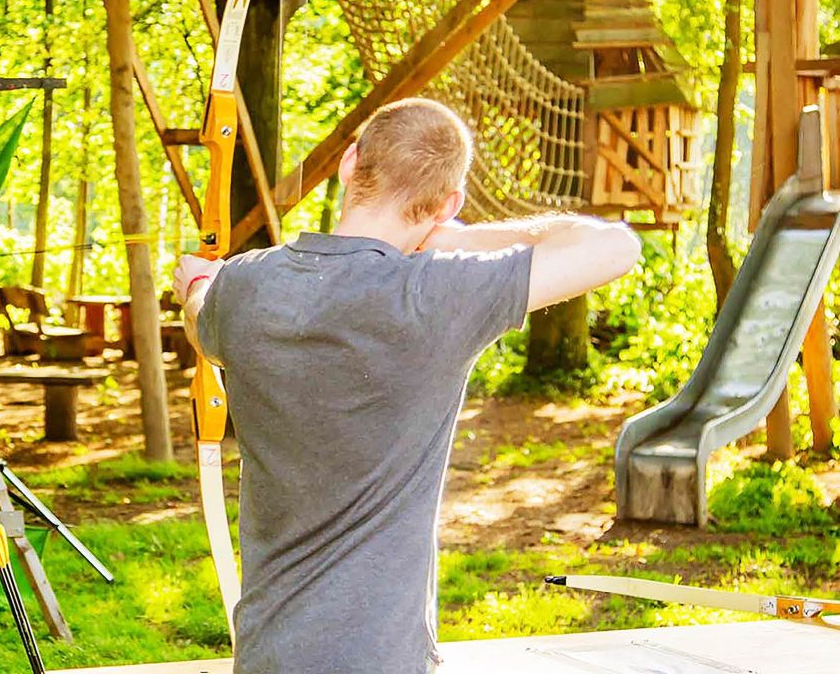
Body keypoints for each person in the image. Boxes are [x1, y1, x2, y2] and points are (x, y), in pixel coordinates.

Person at [173, 97, 641, 674]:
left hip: (269, 654)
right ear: (449, 204)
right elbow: (616, 246)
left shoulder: (244, 288)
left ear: (349, 164)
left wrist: (197, 284)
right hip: (380, 658)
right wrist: (452, 239)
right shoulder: (432, 295)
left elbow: (201, 317)